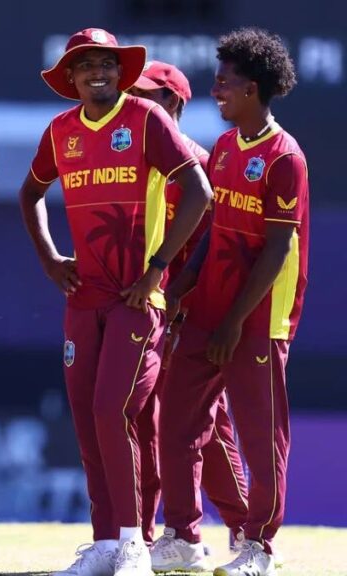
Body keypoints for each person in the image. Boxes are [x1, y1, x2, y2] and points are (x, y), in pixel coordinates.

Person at [18, 28, 212, 576]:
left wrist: (157, 269)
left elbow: (200, 192)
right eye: (84, 67)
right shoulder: (60, 131)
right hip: (84, 300)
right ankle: (105, 543)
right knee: (86, 418)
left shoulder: (147, 120)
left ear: (119, 71)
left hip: (136, 298)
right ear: (71, 78)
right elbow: (31, 192)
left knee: (112, 411)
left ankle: (133, 543)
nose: (96, 73)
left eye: (106, 63)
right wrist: (52, 258)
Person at [159, 28, 307, 576]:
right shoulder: (221, 150)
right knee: (175, 423)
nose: (215, 87)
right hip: (207, 312)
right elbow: (214, 232)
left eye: (225, 80)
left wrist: (234, 323)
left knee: (260, 435)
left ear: (253, 87)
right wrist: (179, 290)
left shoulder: (284, 157)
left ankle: (259, 548)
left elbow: (277, 250)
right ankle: (181, 537)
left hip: (258, 319)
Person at [127, 60, 250, 572]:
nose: (137, 107)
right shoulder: (131, 162)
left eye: (149, 97)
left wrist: (185, 305)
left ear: (174, 105)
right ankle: (234, 527)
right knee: (191, 424)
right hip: (149, 309)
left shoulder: (201, 165)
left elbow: (217, 252)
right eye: (134, 97)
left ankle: (191, 531)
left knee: (184, 423)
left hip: (188, 315)